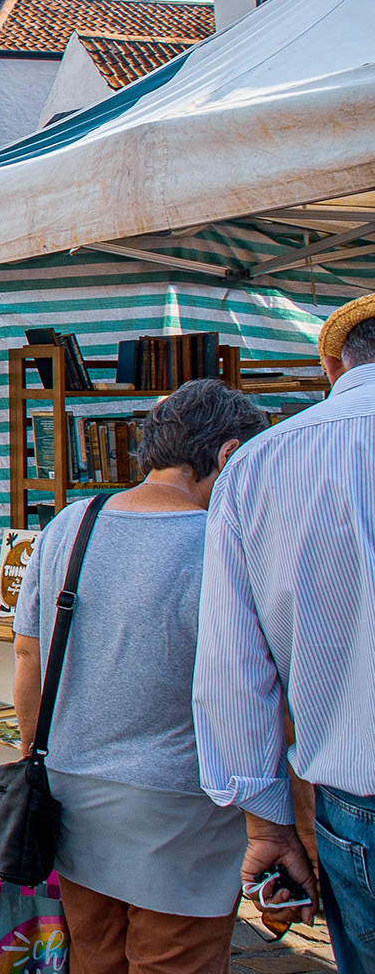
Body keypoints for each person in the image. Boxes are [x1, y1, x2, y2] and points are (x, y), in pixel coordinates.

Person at [11, 379, 268, 971]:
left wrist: (36, 757)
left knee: (94, 958)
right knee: (175, 961)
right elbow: (249, 688)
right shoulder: (221, 543)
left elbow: (28, 656)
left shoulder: (70, 525)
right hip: (182, 807)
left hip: (74, 794)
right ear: (228, 455)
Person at [196, 295, 375, 973]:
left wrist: (268, 823)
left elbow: (233, 671)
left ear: (332, 365)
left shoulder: (261, 464)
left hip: (360, 803)